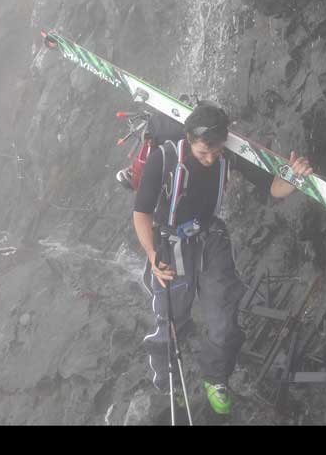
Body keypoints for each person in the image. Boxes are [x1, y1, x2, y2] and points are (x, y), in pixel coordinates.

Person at [131, 102, 313, 415]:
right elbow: (141, 213)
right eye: (204, 152)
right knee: (171, 319)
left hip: (211, 238)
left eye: (215, 151)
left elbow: (274, 188)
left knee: (224, 318)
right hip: (169, 241)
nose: (211, 158)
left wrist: (296, 179)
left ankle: (215, 378)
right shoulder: (163, 158)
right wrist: (151, 255)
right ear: (189, 138)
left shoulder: (225, 154)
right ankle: (166, 384)